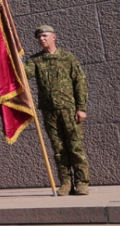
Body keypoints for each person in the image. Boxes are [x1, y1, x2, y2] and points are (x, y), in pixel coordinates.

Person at [25, 25, 91, 195]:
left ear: (54, 37)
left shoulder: (68, 58)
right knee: (59, 149)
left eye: (45, 35)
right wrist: (13, 61)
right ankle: (66, 182)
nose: (41, 39)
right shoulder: (35, 60)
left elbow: (80, 83)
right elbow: (24, 75)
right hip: (49, 111)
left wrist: (81, 108)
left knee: (75, 146)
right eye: (39, 37)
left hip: (69, 109)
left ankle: (82, 182)